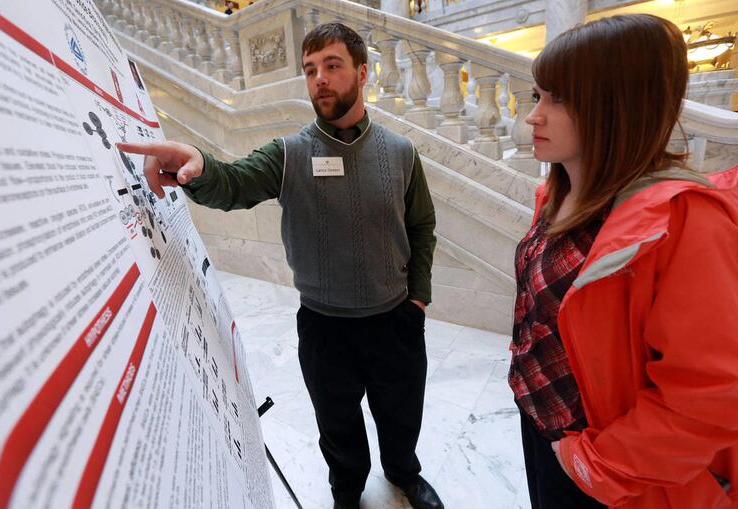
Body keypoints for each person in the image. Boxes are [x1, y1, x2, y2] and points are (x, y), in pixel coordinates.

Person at [118, 23, 444, 509]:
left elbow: (421, 225)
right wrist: (200, 165)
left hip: (394, 320)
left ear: (362, 72)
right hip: (325, 327)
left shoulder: (400, 153)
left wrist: (418, 298)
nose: (319, 79)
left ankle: (404, 473)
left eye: (332, 66)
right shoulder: (289, 154)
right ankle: (347, 491)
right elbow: (233, 183)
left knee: (401, 410)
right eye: (310, 70)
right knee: (337, 423)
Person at [510, 13, 738, 509]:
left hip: (612, 463)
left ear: (616, 105)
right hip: (543, 422)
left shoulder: (684, 220)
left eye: (559, 99)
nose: (534, 116)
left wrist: (594, 465)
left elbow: (708, 395)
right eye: (537, 95)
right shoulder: (557, 192)